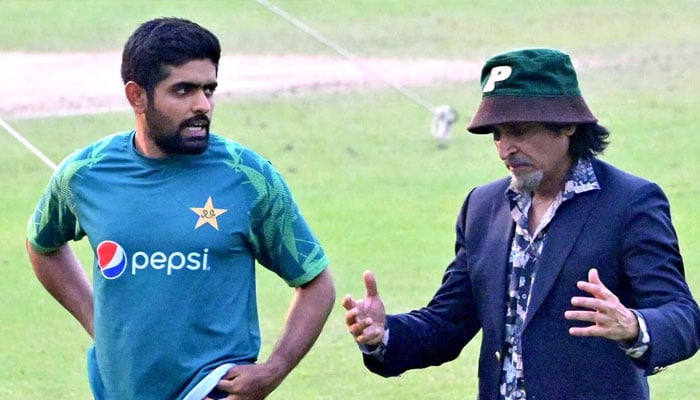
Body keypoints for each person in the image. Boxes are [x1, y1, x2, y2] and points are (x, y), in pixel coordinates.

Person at [343, 48, 700, 399]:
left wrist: (633, 327)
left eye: (518, 130)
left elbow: (682, 318)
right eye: (497, 134)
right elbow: (447, 323)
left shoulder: (629, 203)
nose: (504, 149)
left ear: (568, 124)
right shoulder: (481, 208)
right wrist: (384, 333)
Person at [25, 17, 335, 400]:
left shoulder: (248, 177)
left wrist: (275, 369)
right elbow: (42, 244)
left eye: (209, 89)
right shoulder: (85, 174)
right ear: (136, 95)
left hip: (211, 389)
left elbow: (316, 281)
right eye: (183, 90)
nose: (202, 105)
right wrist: (96, 321)